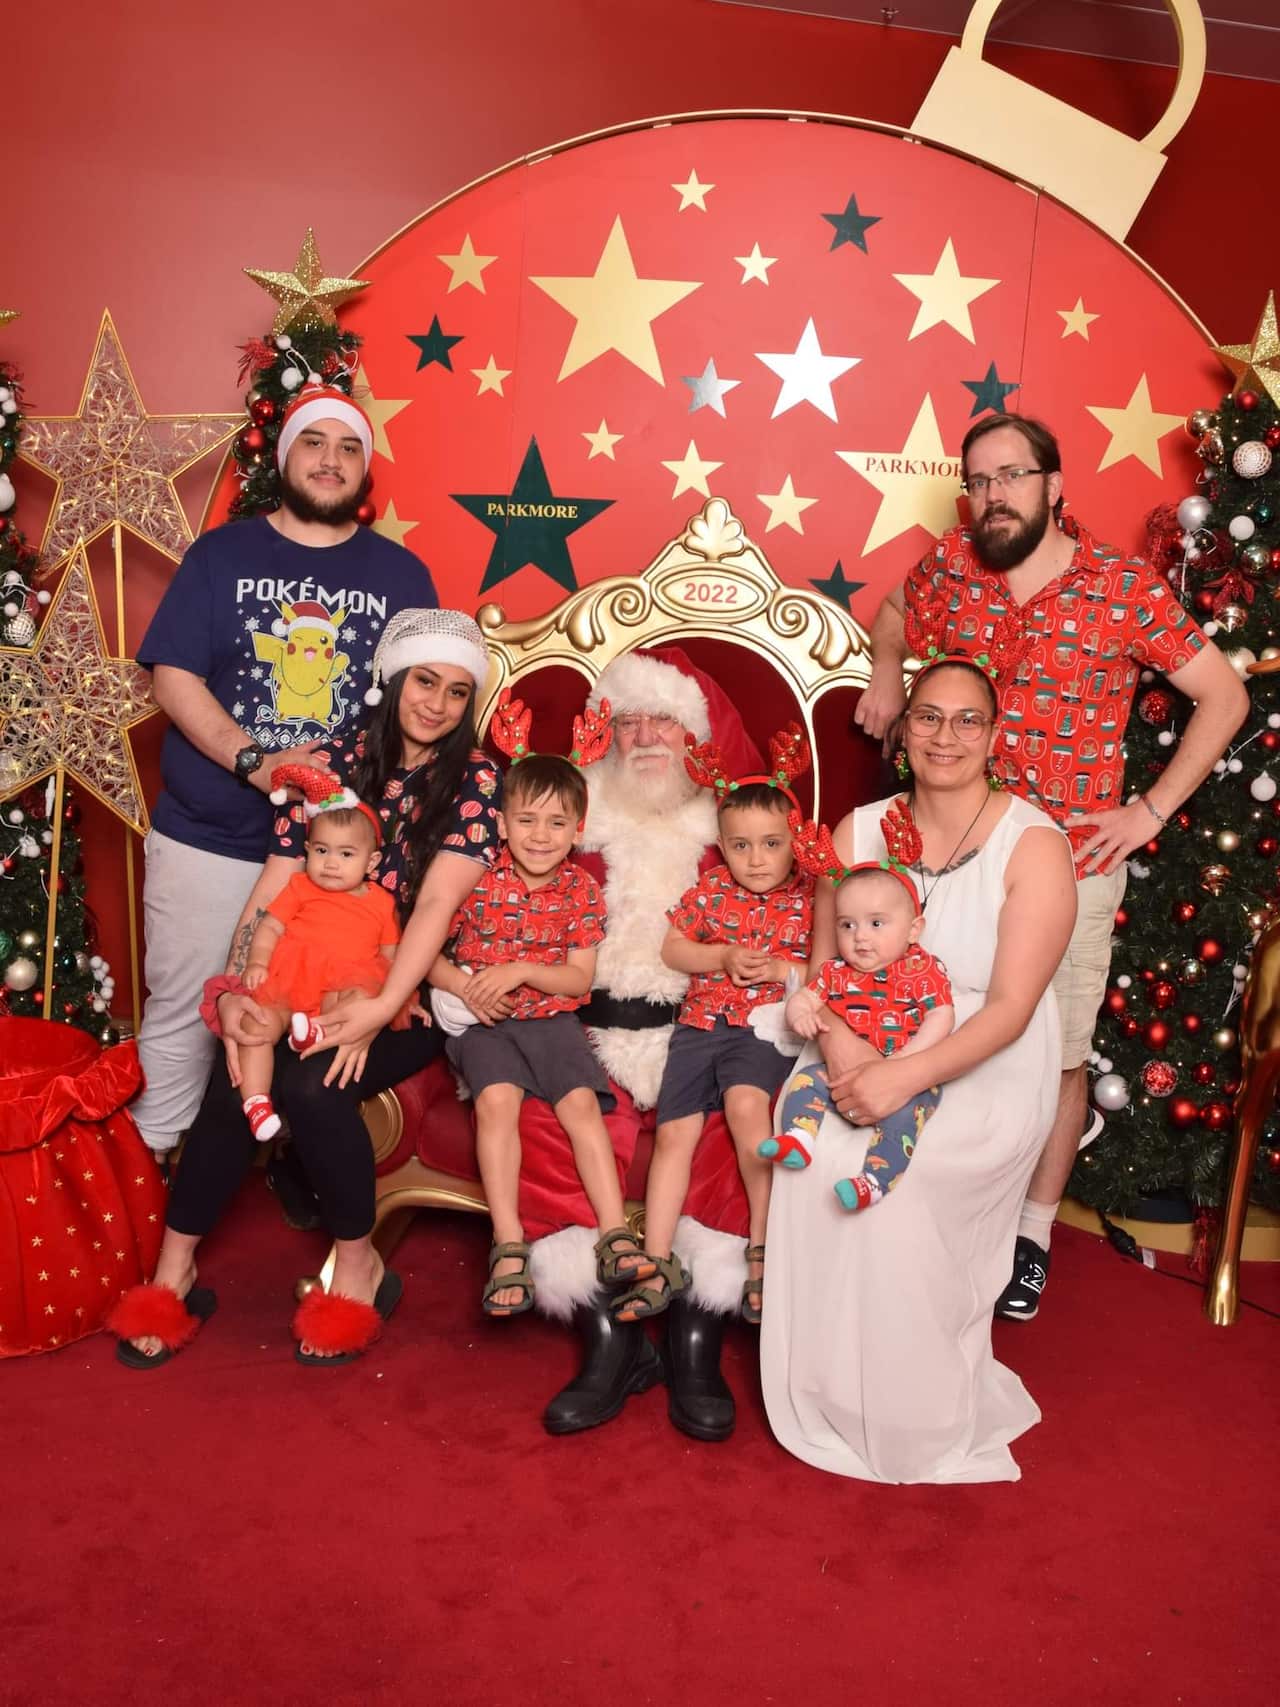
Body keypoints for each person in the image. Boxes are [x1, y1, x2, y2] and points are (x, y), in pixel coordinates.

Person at [854, 411, 1248, 1320]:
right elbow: (890, 613)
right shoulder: (952, 565)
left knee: (1057, 1054)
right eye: (980, 480)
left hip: (1069, 861)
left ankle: (1030, 1234)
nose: (995, 495)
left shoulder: (1119, 584)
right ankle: (923, 1204)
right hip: (951, 852)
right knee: (925, 1023)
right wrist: (885, 672)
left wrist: (1148, 811)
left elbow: (1221, 695)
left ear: (1054, 486)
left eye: (1013, 476)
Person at [107, 609, 500, 1369]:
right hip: (295, 976)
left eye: (457, 691)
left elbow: (435, 911)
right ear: (395, 679)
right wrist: (230, 987)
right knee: (237, 1071)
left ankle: (358, 1264)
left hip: (399, 985)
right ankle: (174, 1269)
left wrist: (378, 1011)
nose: (438, 704)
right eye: (425, 680)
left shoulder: (478, 779)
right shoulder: (330, 765)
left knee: (313, 1087)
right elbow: (274, 888)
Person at [762, 648, 1077, 1483]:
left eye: (968, 718)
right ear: (903, 731)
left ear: (995, 733)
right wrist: (848, 1050)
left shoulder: (1033, 843)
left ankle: (915, 1401)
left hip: (982, 1046)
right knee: (817, 1149)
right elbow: (824, 970)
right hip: (857, 1027)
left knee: (914, 1162)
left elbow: (1012, 1008)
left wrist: (905, 1075)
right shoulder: (857, 832)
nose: (947, 735)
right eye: (929, 716)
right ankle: (830, 1383)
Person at [130, 384, 436, 1167]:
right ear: (284, 453)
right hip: (210, 832)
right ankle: (154, 1178)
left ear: (365, 470)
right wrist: (253, 760)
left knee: (308, 1014)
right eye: (314, 443)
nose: (329, 461)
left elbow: (423, 706)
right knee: (184, 1016)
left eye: (348, 448)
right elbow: (172, 674)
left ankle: (288, 1168)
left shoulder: (403, 577)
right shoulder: (222, 555)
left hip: (334, 858)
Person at [519, 647, 766, 1440]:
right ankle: (609, 1340)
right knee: (549, 1119)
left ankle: (696, 1339)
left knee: (735, 1129)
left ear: (696, 733)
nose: (647, 736)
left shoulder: (734, 833)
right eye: (629, 719)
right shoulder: (569, 824)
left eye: (666, 718)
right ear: (606, 732)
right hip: (589, 1035)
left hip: (705, 1036)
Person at [430, 693, 651, 1315]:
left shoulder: (581, 890)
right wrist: (460, 984)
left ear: (578, 829)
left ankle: (613, 1233)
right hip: (486, 1026)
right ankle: (507, 1244)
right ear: (501, 823)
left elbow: (578, 981)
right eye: (526, 820)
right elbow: (425, 952)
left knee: (582, 1107)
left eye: (557, 824)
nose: (540, 836)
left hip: (551, 1021)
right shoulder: (475, 876)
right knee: (497, 1105)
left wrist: (522, 968)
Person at [611, 726, 814, 1327]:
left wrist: (780, 967)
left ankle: (762, 1249)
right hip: (699, 1027)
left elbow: (826, 970)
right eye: (741, 846)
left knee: (750, 1110)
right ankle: (654, 1259)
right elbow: (675, 950)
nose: (756, 860)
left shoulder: (810, 899)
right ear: (722, 847)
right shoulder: (709, 893)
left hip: (761, 1029)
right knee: (675, 1134)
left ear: (794, 843)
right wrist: (721, 956)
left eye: (771, 844)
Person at [767, 812, 954, 1211]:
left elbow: (942, 1015)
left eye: (875, 924)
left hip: (906, 1077)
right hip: (844, 1071)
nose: (860, 938)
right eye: (847, 925)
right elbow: (806, 997)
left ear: (913, 930)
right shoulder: (836, 972)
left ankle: (875, 1180)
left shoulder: (921, 968)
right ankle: (798, 1138)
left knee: (906, 1120)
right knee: (805, 1083)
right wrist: (798, 1011)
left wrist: (907, 1061)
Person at [236, 768, 400, 1142]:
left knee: (356, 997)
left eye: (346, 854)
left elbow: (390, 955)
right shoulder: (299, 886)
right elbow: (270, 927)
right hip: (289, 980)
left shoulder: (380, 903)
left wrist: (392, 993)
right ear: (308, 851)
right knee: (256, 1026)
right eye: (322, 851)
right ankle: (256, 1102)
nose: (330, 863)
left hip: (337, 991)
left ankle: (314, 1032)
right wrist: (258, 962)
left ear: (371, 864)